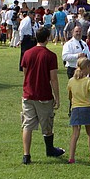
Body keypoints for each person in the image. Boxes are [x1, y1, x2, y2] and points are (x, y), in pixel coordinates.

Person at [21, 27, 64, 164]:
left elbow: (25, 72)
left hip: (28, 94)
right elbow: (53, 79)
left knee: (27, 125)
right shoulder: (50, 56)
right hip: (43, 95)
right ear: (47, 38)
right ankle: (50, 149)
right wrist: (57, 97)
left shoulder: (27, 53)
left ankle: (26, 155)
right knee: (47, 125)